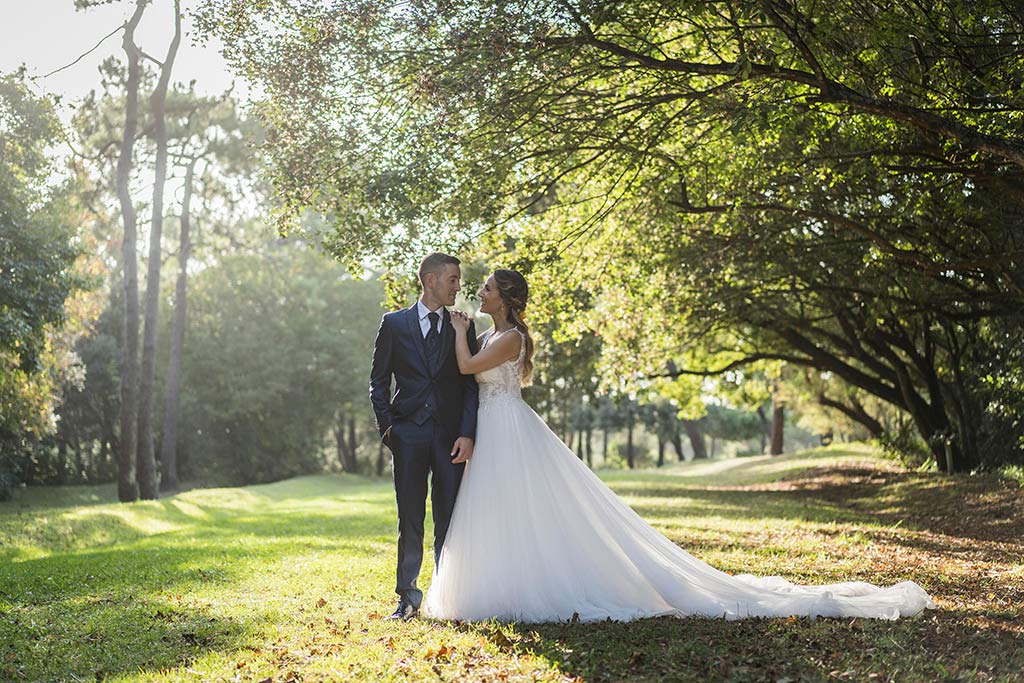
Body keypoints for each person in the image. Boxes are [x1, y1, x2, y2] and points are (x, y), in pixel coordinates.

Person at [422, 268, 935, 623]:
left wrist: (458, 329)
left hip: (509, 427)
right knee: (504, 509)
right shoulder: (494, 333)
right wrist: (467, 332)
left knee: (527, 507)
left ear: (505, 298)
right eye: (480, 288)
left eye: (486, 288)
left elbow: (467, 368)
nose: (479, 293)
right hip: (494, 427)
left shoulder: (508, 337)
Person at [369, 252, 479, 620]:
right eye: (452, 279)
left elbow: (470, 387)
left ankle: (446, 594)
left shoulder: (463, 327)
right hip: (408, 434)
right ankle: (408, 597)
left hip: (450, 437)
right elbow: (378, 381)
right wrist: (389, 429)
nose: (458, 286)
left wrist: (467, 433)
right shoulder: (394, 324)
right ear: (430, 280)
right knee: (410, 518)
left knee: (449, 516)